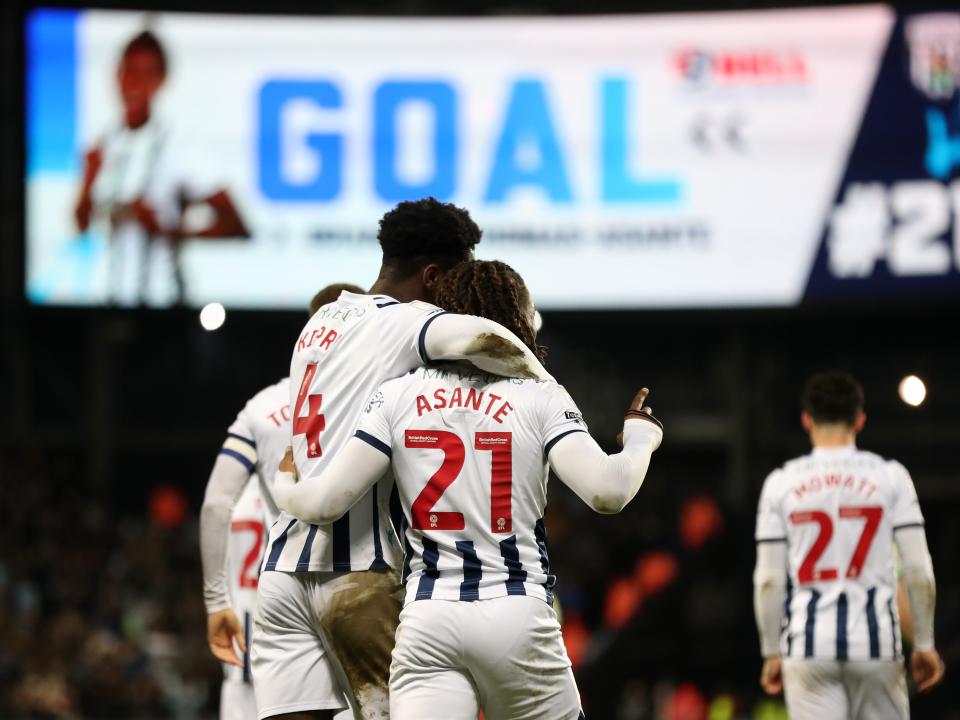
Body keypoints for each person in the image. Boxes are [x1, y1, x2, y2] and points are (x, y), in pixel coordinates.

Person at [271, 260, 664, 719]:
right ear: (517, 319)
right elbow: (608, 493)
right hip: (517, 611)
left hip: (428, 621)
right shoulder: (539, 393)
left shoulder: (397, 395)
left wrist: (283, 483)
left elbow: (322, 504)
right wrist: (642, 438)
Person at [250, 199, 556, 720]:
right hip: (359, 571)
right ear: (434, 276)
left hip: (282, 570)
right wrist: (548, 392)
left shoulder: (325, 317)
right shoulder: (410, 320)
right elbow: (488, 338)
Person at [201, 284, 363, 720]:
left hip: (284, 586)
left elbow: (218, 503)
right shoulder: (388, 394)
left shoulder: (264, 407)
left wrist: (217, 601)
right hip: (364, 582)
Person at [753, 371, 945, 719]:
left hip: (808, 648)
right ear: (860, 420)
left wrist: (770, 652)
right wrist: (925, 644)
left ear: (806, 419)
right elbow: (918, 569)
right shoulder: (891, 475)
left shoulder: (780, 483)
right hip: (876, 646)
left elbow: (768, 579)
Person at [74, 29, 248, 306]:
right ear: (117, 74)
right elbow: (81, 226)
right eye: (129, 70)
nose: (135, 83)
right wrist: (88, 181)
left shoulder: (180, 147)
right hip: (105, 301)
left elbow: (237, 225)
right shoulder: (102, 146)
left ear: (161, 81)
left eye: (147, 74)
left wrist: (168, 230)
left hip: (164, 305)